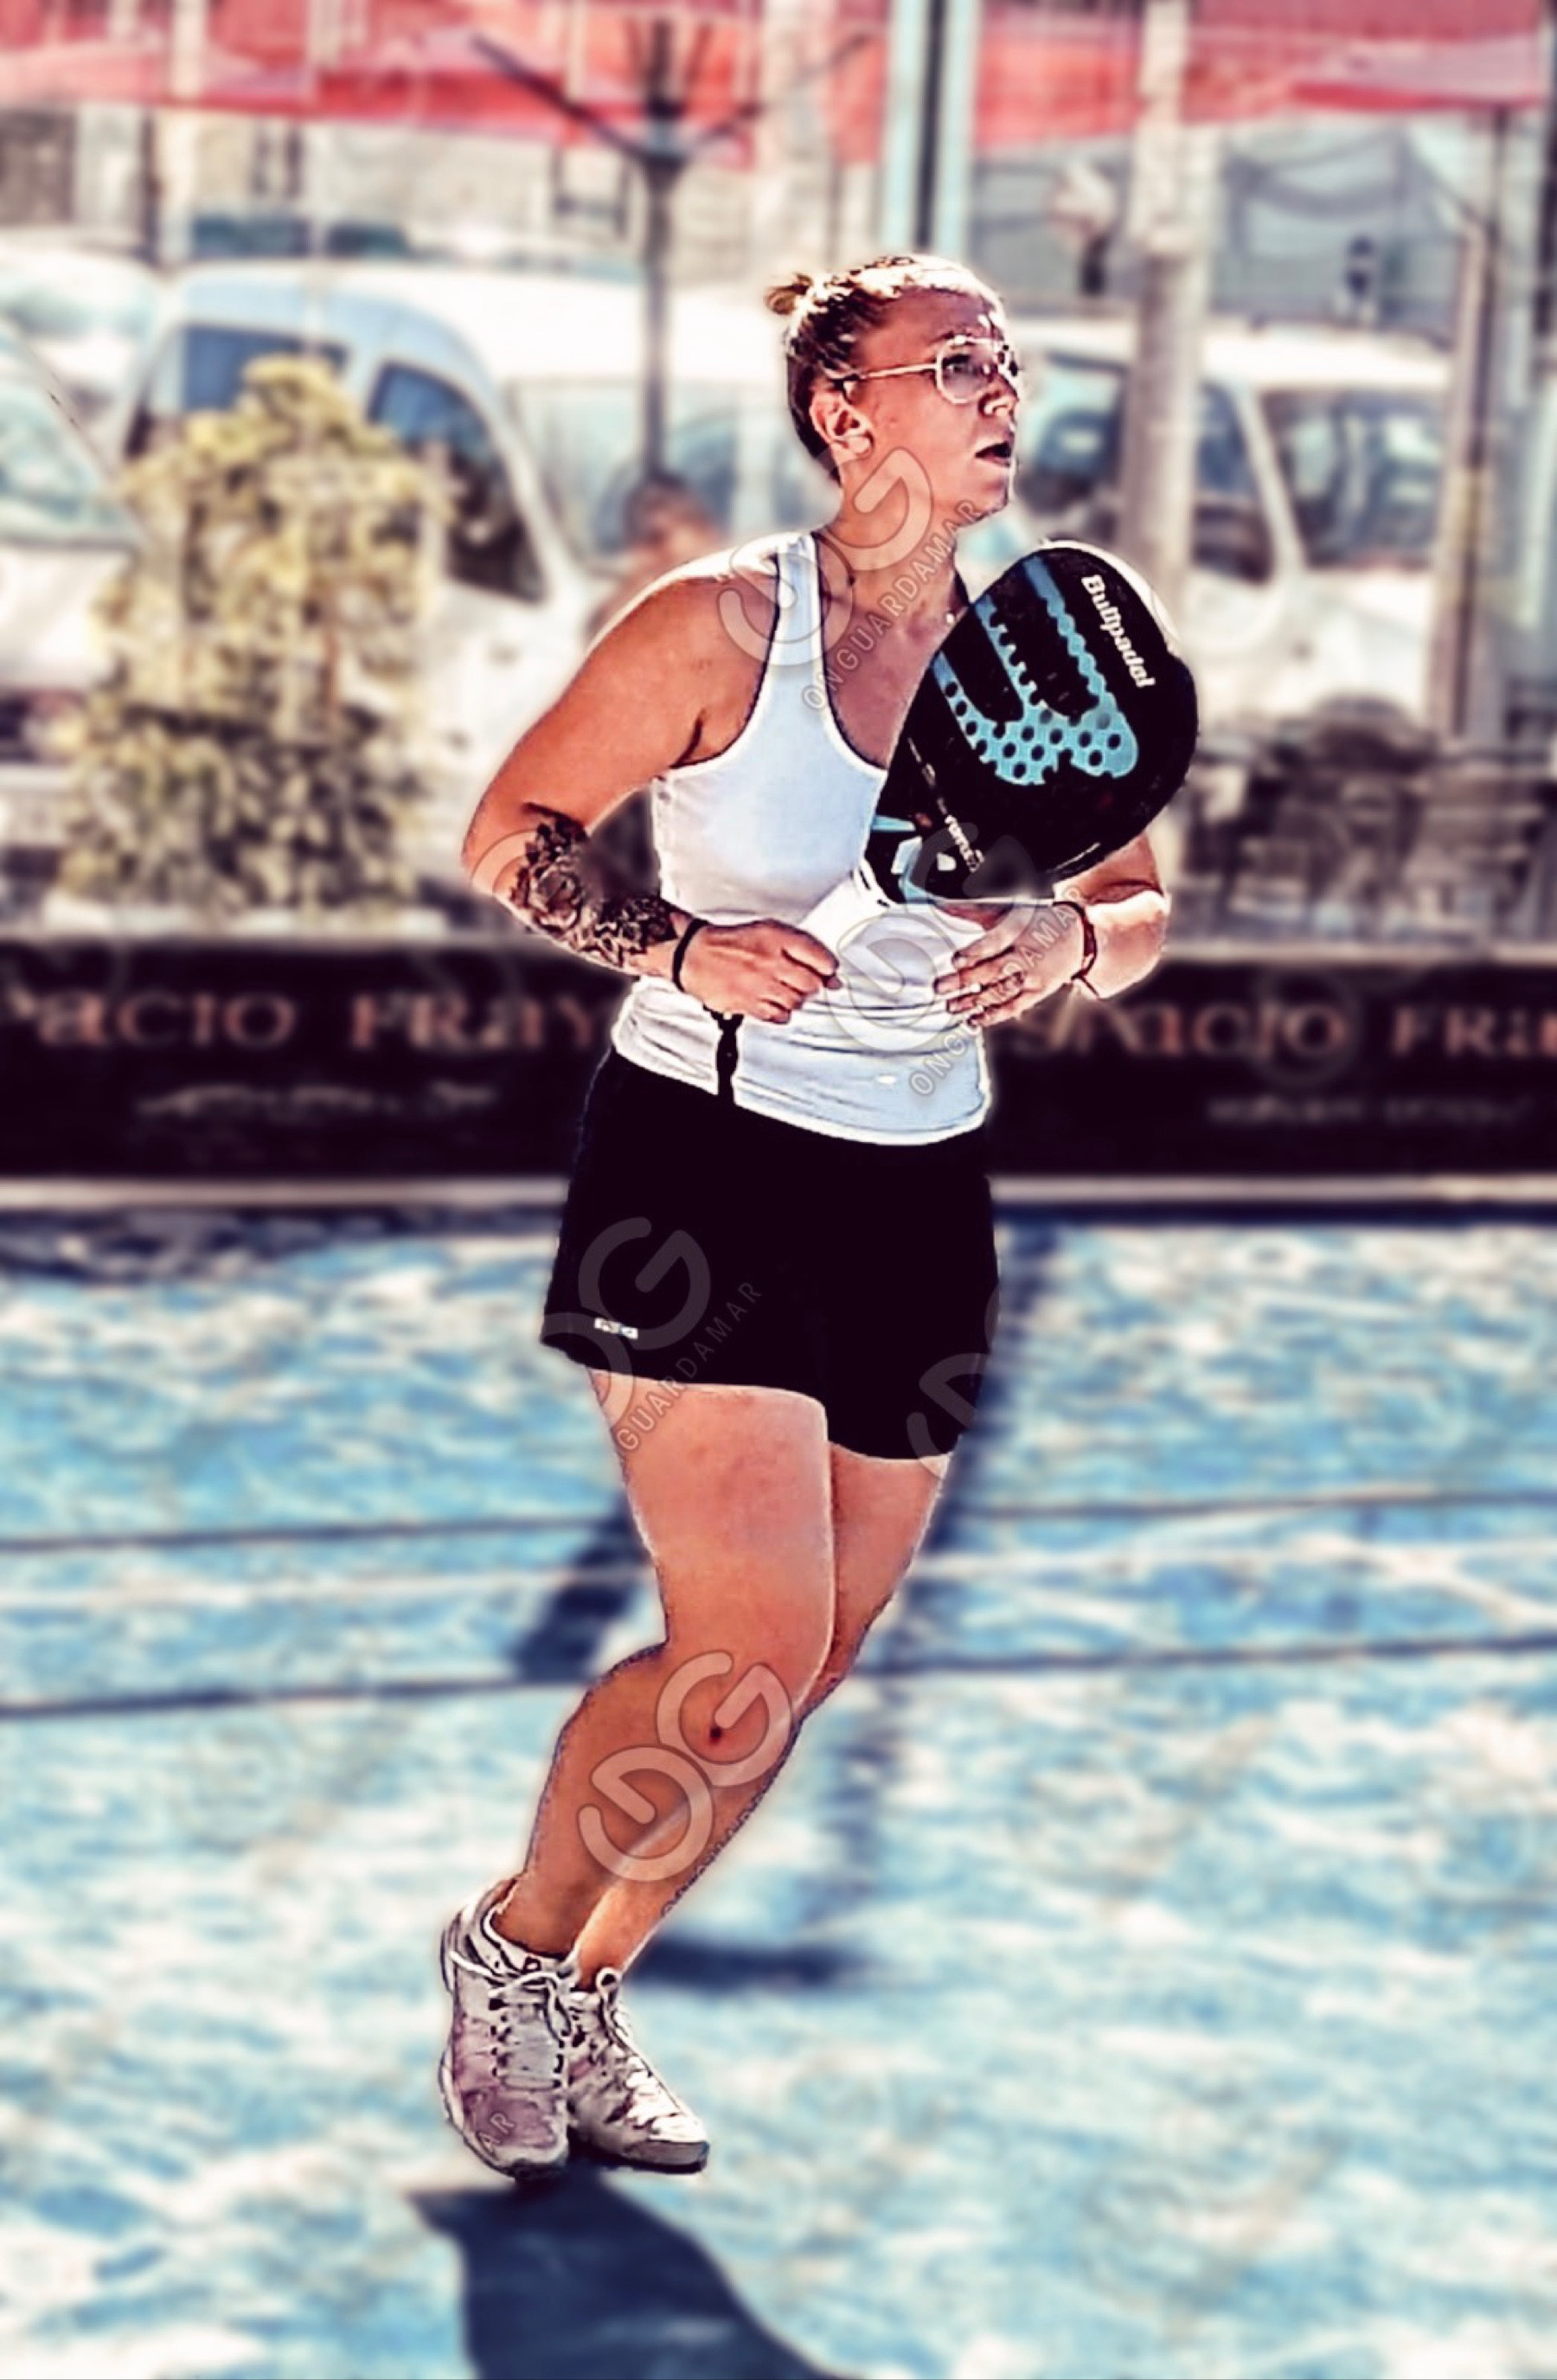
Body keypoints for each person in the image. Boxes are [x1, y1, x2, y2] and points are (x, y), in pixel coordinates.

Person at [445, 253, 1171, 2180]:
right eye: (955, 361)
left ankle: (587, 1988)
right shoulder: (716, 626)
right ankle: (510, 1952)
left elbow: (1138, 896)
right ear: (847, 412)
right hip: (703, 1160)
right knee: (745, 1645)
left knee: (802, 1669)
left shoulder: (1040, 658)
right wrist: (679, 942)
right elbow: (510, 833)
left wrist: (1070, 938)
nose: (1000, 388)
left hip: (922, 1181)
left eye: (1007, 358)